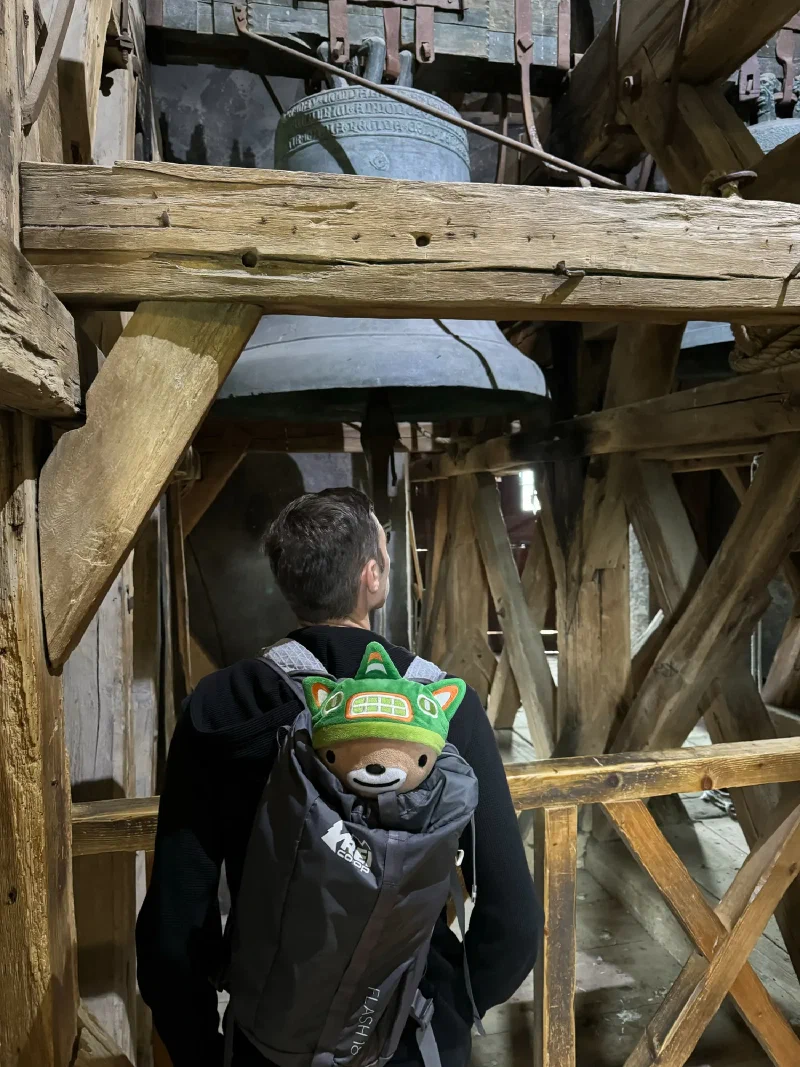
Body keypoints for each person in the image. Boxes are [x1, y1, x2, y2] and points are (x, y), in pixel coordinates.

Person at [136, 486, 542, 1067]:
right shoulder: (444, 706)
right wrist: (446, 1008)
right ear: (371, 578)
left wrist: (206, 1050)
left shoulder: (220, 706)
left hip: (268, 1043)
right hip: (414, 1040)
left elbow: (173, 929)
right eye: (386, 553)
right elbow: (515, 923)